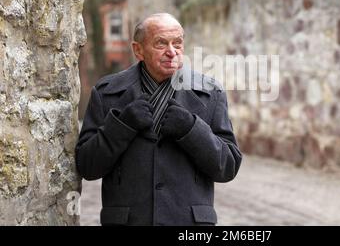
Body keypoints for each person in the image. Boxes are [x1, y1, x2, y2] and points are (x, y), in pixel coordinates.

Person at [76, 13, 242, 226]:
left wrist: (191, 129)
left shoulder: (210, 93)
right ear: (138, 50)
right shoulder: (107, 93)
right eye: (161, 43)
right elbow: (88, 167)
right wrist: (122, 125)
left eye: (178, 44)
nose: (171, 52)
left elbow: (228, 167)